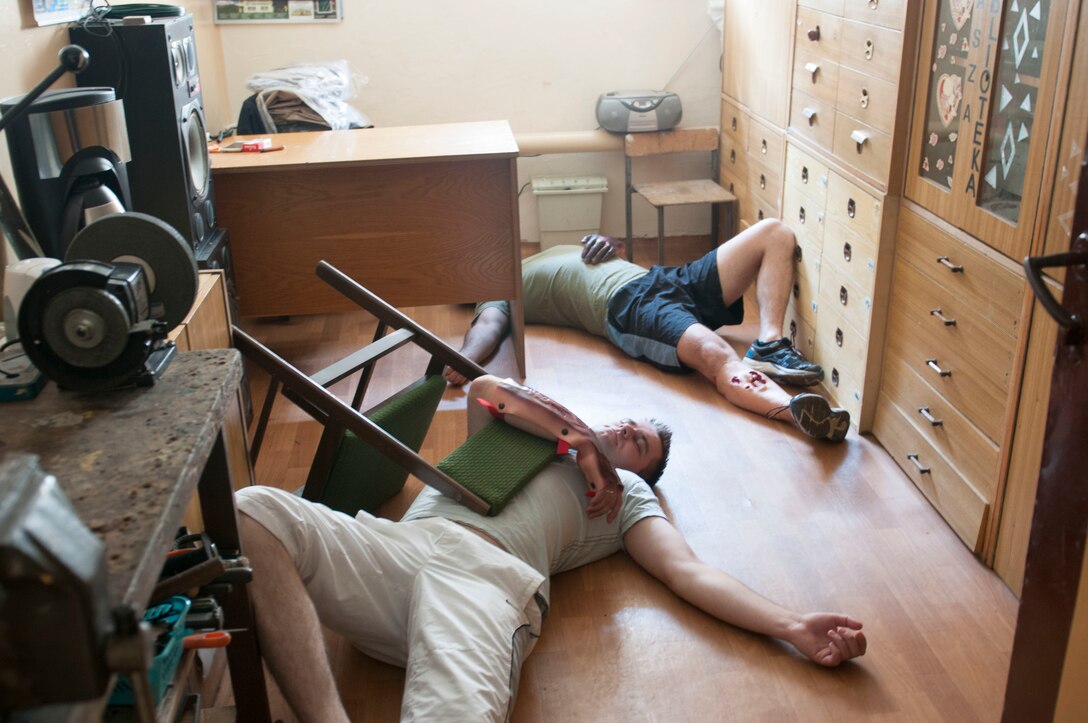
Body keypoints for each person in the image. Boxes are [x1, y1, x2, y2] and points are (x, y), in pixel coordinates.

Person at [236, 374, 867, 722]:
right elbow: (486, 389)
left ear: (642, 475)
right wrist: (580, 440)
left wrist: (791, 625)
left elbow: (688, 574)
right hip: (402, 550)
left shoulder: (626, 504)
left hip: (481, 585)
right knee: (253, 509)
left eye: (638, 444)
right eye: (628, 423)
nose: (625, 430)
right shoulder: (535, 435)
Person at [444, 218, 850, 442]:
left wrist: (605, 241)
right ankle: (794, 415)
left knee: (774, 232)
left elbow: (605, 250)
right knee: (713, 351)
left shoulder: (541, 253)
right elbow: (490, 327)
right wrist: (463, 357)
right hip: (631, 306)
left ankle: (770, 343)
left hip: (665, 279)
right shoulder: (498, 296)